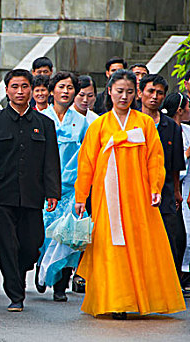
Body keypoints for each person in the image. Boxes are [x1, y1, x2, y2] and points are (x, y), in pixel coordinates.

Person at [75, 69, 186, 319]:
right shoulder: (100, 125)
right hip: (107, 197)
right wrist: (81, 197)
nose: (123, 97)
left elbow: (155, 159)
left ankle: (139, 296)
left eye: (128, 92)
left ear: (135, 94)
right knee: (111, 246)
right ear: (110, 92)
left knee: (139, 245)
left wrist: (155, 188)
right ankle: (116, 299)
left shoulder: (144, 123)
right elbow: (87, 163)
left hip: (138, 197)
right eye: (118, 91)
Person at [0, 69, 61, 312]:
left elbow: (50, 160)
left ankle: (20, 272)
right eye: (15, 87)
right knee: (7, 246)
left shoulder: (44, 123)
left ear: (32, 90)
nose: (20, 92)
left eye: (24, 87)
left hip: (32, 195)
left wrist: (52, 192)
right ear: (6, 91)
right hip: (2, 195)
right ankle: (15, 294)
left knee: (31, 244)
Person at [37, 72, 88, 302]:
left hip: (71, 186)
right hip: (44, 186)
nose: (65, 91)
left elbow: (86, 156)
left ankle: (61, 283)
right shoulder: (40, 118)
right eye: (61, 87)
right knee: (44, 234)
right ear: (51, 91)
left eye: (70, 87)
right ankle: (42, 269)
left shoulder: (82, 121)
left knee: (67, 235)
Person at [139, 74, 186, 281]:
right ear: (140, 93)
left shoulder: (171, 127)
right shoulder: (131, 123)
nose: (154, 97)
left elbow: (176, 164)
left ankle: (170, 283)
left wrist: (176, 191)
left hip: (165, 191)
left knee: (172, 238)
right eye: (150, 91)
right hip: (137, 190)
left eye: (160, 93)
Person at [163, 93, 190, 294]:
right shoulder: (169, 129)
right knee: (177, 234)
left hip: (181, 189)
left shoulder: (186, 129)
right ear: (180, 110)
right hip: (169, 187)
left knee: (181, 236)